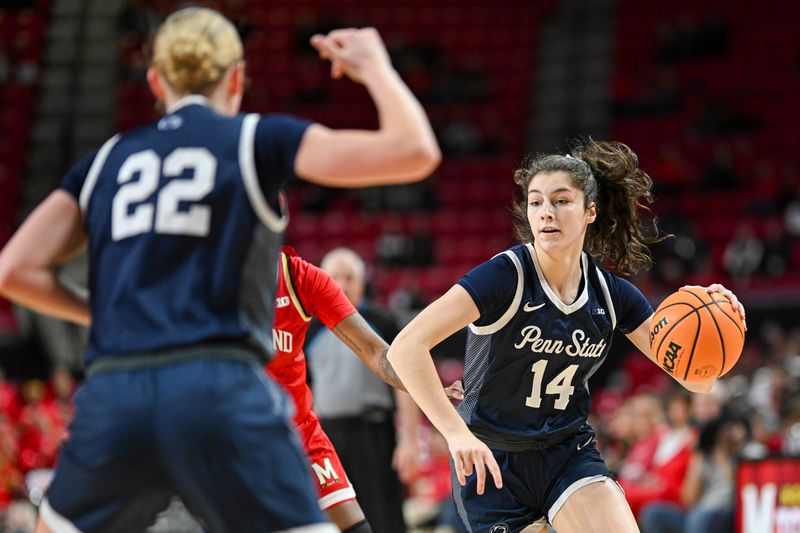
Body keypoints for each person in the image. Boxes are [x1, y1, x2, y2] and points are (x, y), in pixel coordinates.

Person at [0, 7, 440, 533]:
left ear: (156, 81)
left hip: (119, 388)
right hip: (217, 385)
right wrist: (373, 66)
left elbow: (14, 270)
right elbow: (414, 150)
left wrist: (102, 314)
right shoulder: (253, 140)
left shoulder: (108, 158)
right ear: (236, 77)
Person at [387, 139, 747, 533]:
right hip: (493, 459)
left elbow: (693, 380)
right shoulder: (505, 277)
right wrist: (455, 434)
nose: (546, 213)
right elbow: (406, 348)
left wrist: (723, 326)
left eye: (561, 201)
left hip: (567, 452)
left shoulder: (612, 296)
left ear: (590, 211)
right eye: (536, 202)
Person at [268, 245, 419, 533]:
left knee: (382, 517)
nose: (342, 284)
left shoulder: (382, 319)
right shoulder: (310, 324)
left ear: (362, 281)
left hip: (372, 431)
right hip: (325, 426)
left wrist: (410, 437)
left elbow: (392, 370)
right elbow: (304, 380)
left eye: (349, 277)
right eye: (336, 276)